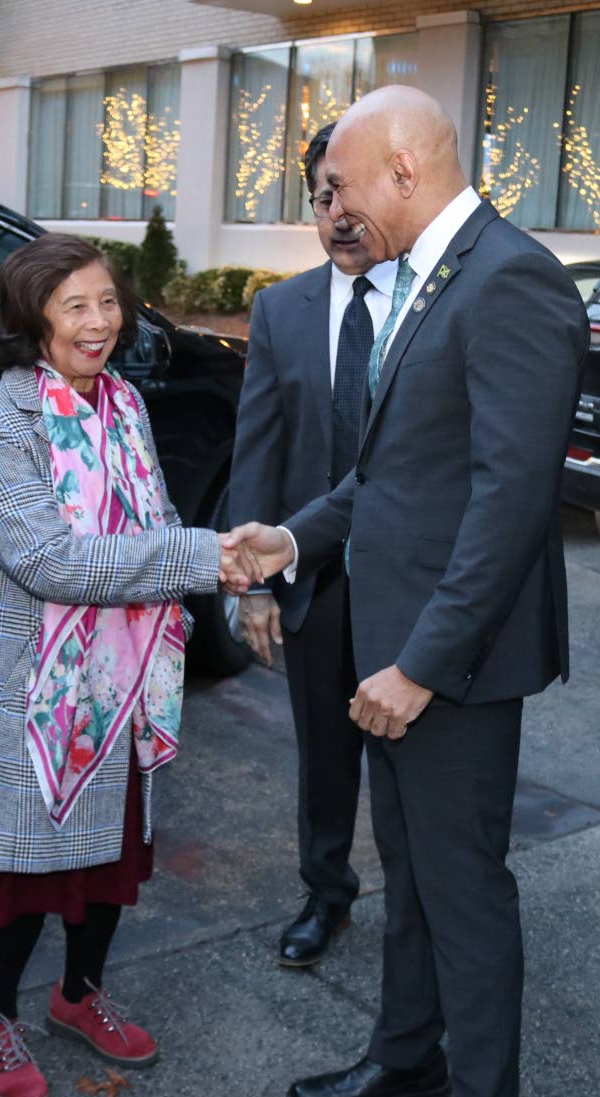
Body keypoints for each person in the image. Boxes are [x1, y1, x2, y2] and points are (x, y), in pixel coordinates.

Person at [224, 86, 588, 1097]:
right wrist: (290, 539)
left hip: (449, 665)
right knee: (414, 877)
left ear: (403, 170)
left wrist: (421, 666)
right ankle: (405, 1058)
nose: (333, 206)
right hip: (399, 648)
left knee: (462, 890)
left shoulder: (510, 281)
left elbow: (510, 504)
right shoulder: (437, 275)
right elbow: (391, 473)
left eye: (342, 185)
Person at [0, 233, 258, 1097]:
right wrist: (205, 557)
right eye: (75, 306)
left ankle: (78, 995)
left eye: (109, 302)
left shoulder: (123, 404)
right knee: (17, 875)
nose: (99, 322)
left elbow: (153, 516)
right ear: (31, 318)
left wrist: (214, 560)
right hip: (30, 689)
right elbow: (50, 561)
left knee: (109, 863)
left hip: (120, 682)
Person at [229, 121, 398, 968]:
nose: (337, 213)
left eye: (348, 193)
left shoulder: (431, 303)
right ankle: (326, 892)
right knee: (325, 757)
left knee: (411, 766)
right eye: (321, 197)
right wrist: (251, 584)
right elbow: (257, 446)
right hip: (312, 578)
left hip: (409, 581)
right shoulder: (279, 309)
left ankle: (423, 908)